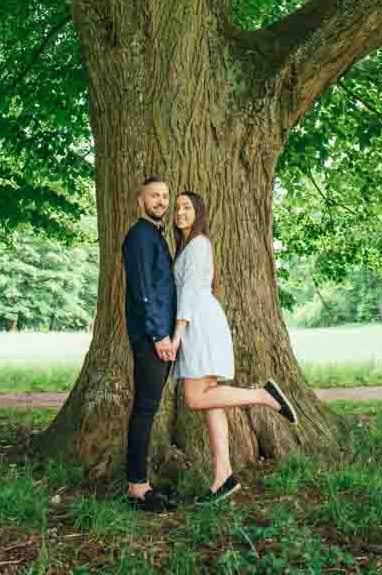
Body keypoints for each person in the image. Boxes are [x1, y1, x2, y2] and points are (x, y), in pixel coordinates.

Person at [171, 191, 298, 503]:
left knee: (194, 397)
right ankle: (223, 476)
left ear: (198, 212)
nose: (180, 212)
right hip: (200, 321)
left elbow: (187, 293)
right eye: (177, 208)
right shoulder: (189, 246)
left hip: (198, 324)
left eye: (186, 207)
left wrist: (176, 335)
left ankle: (262, 395)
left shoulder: (198, 245)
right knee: (210, 400)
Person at [122, 176, 178, 513]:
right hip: (150, 338)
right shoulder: (140, 236)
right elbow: (143, 290)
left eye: (164, 196)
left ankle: (141, 482)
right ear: (140, 200)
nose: (160, 201)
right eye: (153, 195)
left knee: (148, 407)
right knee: (144, 410)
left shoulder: (156, 235)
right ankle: (137, 488)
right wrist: (159, 335)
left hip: (160, 335)